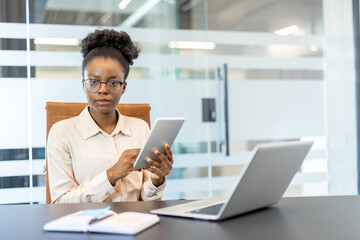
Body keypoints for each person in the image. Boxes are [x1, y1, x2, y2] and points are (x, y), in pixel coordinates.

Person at [47, 29, 173, 203]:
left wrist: (157, 179)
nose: (103, 90)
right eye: (93, 81)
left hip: (135, 223)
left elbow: (147, 201)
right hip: (88, 226)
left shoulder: (140, 128)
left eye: (113, 83)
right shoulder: (61, 133)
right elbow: (60, 203)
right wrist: (112, 175)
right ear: (83, 85)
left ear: (124, 87)